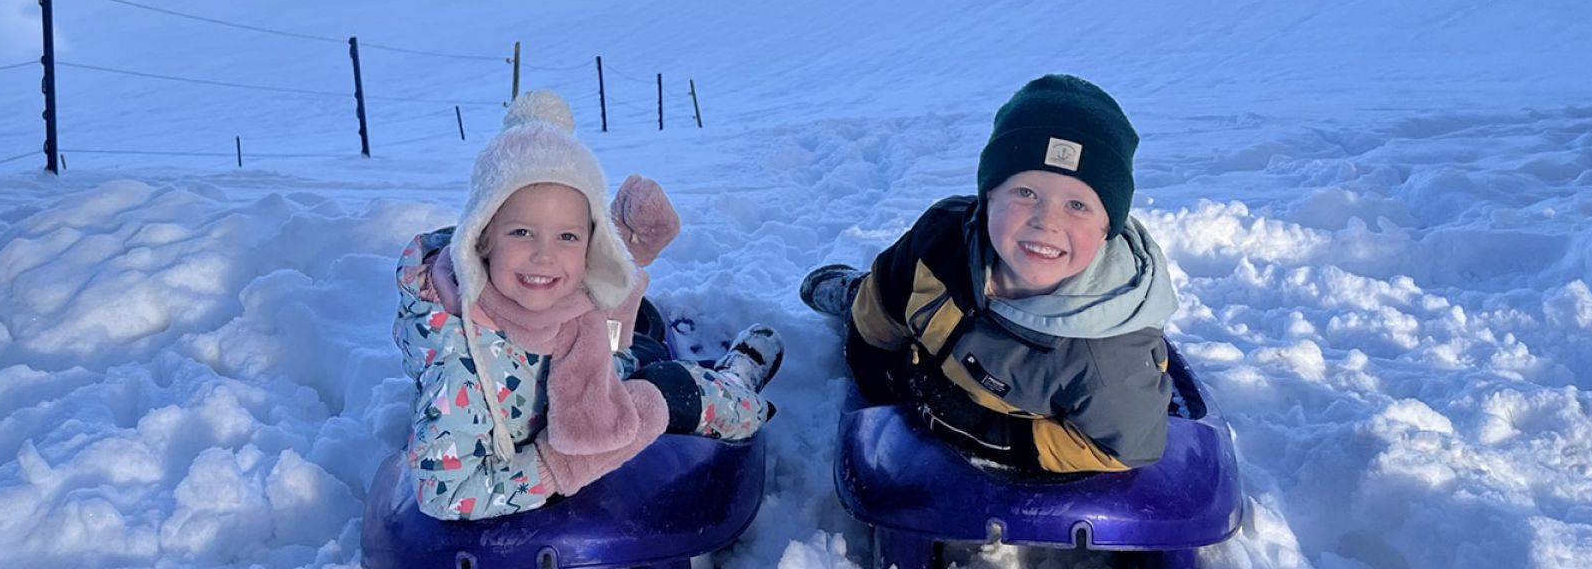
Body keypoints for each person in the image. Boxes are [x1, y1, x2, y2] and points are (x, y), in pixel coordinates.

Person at [394, 90, 784, 520]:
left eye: (567, 236)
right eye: (523, 232)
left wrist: (627, 247)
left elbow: (592, 296)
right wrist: (556, 467)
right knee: (674, 388)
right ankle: (735, 385)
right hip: (582, 426)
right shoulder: (462, 366)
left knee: (641, 333)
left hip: (604, 360)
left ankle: (650, 346)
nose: (545, 255)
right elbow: (447, 492)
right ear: (481, 238)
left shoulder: (537, 292)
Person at [800, 74, 1178, 473]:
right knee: (882, 299)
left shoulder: (1109, 359)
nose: (1045, 222)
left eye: (1077, 205)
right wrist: (879, 380)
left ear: (1108, 228)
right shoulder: (941, 239)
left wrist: (992, 435)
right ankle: (851, 296)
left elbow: (1121, 448)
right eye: (1026, 193)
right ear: (989, 196)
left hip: (1016, 410)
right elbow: (886, 295)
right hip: (934, 341)